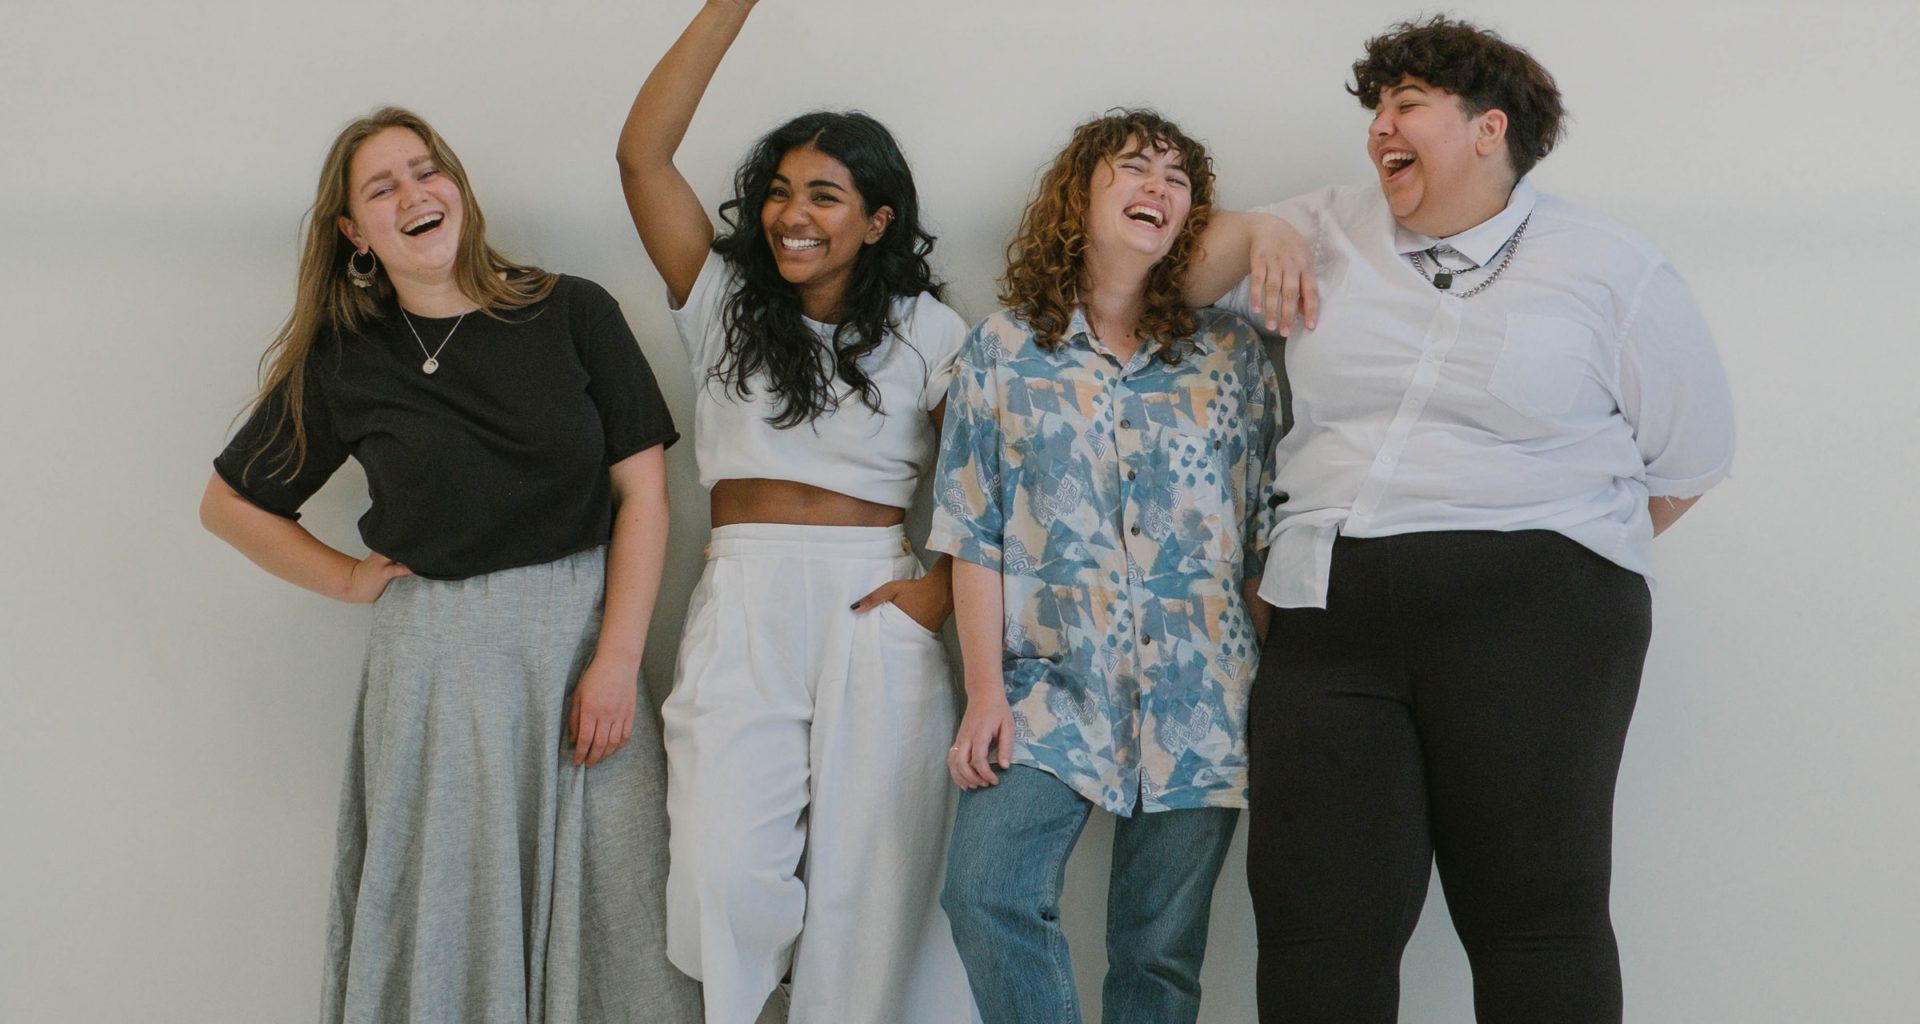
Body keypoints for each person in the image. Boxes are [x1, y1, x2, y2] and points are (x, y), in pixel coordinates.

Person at [1213, 17, 1737, 1023]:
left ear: (1489, 128)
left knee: (1533, 917)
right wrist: (1251, 232)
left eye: (1407, 104)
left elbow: (1689, 460)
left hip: (1539, 619)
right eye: (1376, 107)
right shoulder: (1322, 227)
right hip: (1328, 609)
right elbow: (1154, 278)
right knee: (1317, 927)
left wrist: (1548, 564)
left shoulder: (1611, 267)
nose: (1380, 126)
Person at [198, 108, 700, 1023]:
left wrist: (618, 659)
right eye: (381, 188)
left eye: (426, 171)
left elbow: (644, 497)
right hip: (437, 670)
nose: (413, 194)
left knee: (619, 904)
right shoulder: (347, 359)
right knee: (449, 914)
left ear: (457, 188)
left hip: (583, 648)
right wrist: (349, 578)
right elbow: (228, 505)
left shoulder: (574, 310)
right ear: (354, 231)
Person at [615, 3, 977, 1021]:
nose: (791, 213)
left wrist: (940, 593)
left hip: (876, 597)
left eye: (824, 194)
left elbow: (987, 479)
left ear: (878, 220)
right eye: (778, 191)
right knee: (724, 870)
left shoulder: (928, 329)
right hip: (745, 593)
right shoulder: (723, 300)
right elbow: (642, 157)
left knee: (871, 885)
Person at [930, 109, 1284, 1024]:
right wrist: (983, 691)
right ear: (1076, 198)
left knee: (1158, 958)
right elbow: (973, 531)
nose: (1157, 186)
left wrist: (1269, 687)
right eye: (1132, 168)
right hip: (1049, 689)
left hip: (1204, 697)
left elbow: (1261, 535)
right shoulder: (1004, 349)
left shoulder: (1232, 355)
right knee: (986, 894)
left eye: (1177, 179)